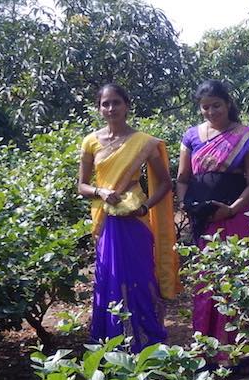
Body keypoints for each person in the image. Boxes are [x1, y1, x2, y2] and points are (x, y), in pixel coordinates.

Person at [77, 83, 180, 352]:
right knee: (108, 277)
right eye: (105, 104)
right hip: (106, 221)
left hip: (135, 220)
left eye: (116, 103)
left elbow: (165, 184)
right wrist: (101, 191)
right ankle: (113, 341)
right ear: (99, 108)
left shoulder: (144, 143)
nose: (111, 108)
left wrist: (144, 208)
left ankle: (147, 341)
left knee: (140, 277)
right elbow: (82, 186)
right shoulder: (90, 142)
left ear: (127, 105)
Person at [176, 80, 249, 369]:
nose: (211, 111)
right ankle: (205, 353)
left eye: (216, 105)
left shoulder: (248, 138)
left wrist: (231, 209)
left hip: (235, 218)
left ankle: (238, 358)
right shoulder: (191, 136)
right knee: (205, 285)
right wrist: (188, 207)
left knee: (236, 283)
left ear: (228, 103)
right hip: (203, 219)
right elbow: (182, 178)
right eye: (205, 107)